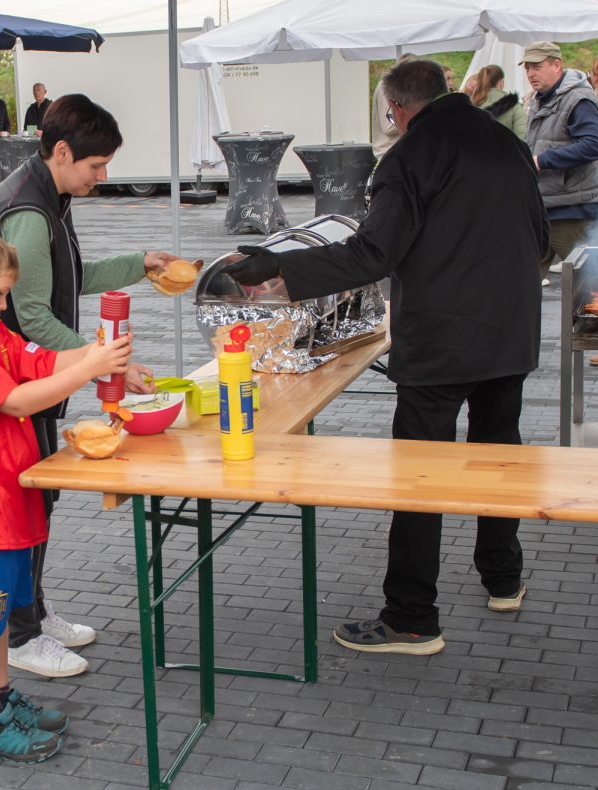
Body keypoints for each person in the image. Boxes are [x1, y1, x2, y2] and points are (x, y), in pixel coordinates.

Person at [223, 60, 547, 656]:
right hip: (511, 329)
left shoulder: (407, 157)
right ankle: (503, 579)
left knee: (418, 477)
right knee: (500, 458)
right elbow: (541, 236)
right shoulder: (504, 139)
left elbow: (373, 253)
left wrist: (279, 266)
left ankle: (412, 619)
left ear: (396, 109)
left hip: (444, 340)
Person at [0, 225, 133, 760]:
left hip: (9, 499)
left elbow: (38, 361)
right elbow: (15, 400)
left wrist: (94, 353)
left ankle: (2, 700)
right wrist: (90, 367)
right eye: (1, 293)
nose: (4, 304)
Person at [0, 93, 176, 679]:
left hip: (36, 378)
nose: (103, 176)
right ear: (61, 152)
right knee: (27, 505)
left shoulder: (51, 195)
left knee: (40, 502)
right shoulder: (29, 210)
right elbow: (35, 315)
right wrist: (104, 364)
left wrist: (138, 264)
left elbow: (73, 275)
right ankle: (21, 634)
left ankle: (32, 613)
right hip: (18, 386)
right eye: (96, 166)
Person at [523, 42, 598, 278]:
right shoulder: (540, 98)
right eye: (527, 68)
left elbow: (593, 144)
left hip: (571, 210)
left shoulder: (578, 99)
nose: (530, 73)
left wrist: (542, 160)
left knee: (590, 286)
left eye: (536, 66)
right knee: (522, 280)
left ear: (557, 65)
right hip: (545, 206)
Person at [371, 54, 416, 159]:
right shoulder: (386, 87)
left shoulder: (400, 86)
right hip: (389, 154)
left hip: (401, 153)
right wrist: (416, 118)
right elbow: (388, 127)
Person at [469, 65, 527, 140]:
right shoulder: (515, 107)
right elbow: (522, 138)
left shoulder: (469, 105)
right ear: (501, 82)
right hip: (506, 150)